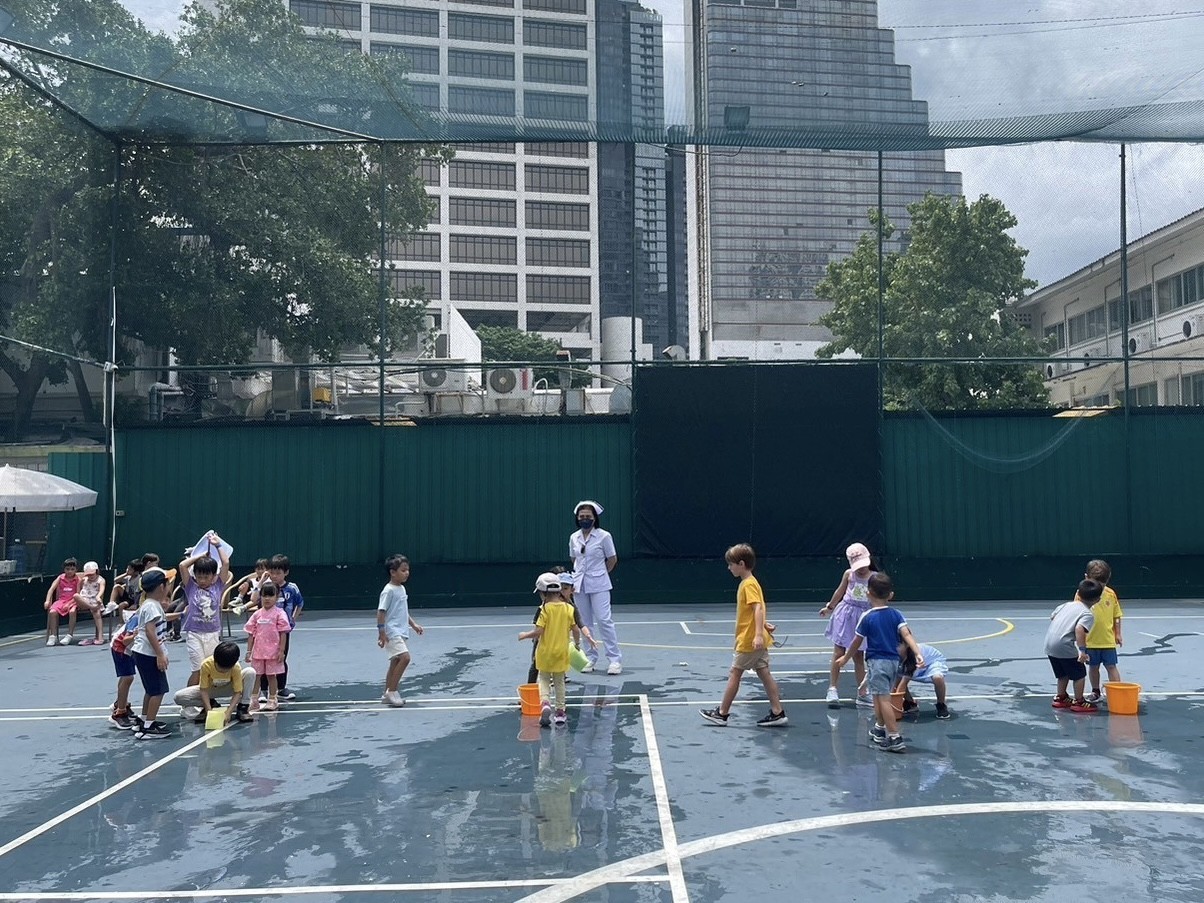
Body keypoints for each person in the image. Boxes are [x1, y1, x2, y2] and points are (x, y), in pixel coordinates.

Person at [700, 543, 787, 727]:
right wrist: (764, 626)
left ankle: (722, 713)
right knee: (764, 673)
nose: (729, 568)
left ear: (741, 564)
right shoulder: (751, 582)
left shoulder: (748, 584)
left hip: (749, 641)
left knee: (735, 673)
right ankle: (777, 712)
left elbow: (757, 608)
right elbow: (755, 610)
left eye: (731, 564)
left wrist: (758, 634)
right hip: (754, 640)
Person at [836, 572, 923, 753]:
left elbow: (856, 642)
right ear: (890, 595)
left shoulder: (867, 617)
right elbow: (907, 634)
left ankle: (894, 737)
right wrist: (917, 653)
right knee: (877, 695)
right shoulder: (896, 614)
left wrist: (845, 658)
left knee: (883, 699)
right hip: (893, 663)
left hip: (877, 663)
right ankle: (879, 728)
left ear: (868, 593)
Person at [519, 572, 583, 727]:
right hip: (561, 653)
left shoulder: (545, 609)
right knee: (559, 682)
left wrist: (524, 635)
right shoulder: (568, 608)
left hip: (544, 653)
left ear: (543, 593)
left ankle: (545, 703)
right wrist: (576, 644)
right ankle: (560, 712)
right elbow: (576, 629)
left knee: (544, 680)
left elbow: (538, 631)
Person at [819, 542, 876, 709]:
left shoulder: (874, 577)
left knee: (858, 656)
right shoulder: (849, 574)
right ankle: (832, 689)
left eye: (863, 565)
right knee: (839, 652)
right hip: (845, 615)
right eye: (858, 566)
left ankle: (862, 693)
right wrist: (830, 607)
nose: (861, 569)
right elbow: (840, 591)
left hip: (862, 618)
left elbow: (878, 598)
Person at [568, 501, 622, 675]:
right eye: (582, 516)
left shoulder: (604, 536)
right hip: (579, 584)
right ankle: (590, 658)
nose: (585, 519)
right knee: (584, 622)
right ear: (577, 518)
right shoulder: (574, 537)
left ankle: (614, 660)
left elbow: (612, 559)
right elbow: (574, 559)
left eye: (588, 516)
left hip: (599, 584)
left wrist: (601, 573)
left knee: (604, 620)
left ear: (594, 518)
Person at [526, 567, 596, 686]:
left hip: (560, 641)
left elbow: (580, 624)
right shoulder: (547, 605)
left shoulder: (571, 607)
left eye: (566, 588)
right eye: (561, 588)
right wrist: (535, 637)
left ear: (572, 590)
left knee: (560, 660)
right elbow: (538, 624)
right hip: (544, 640)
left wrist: (588, 636)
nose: (562, 592)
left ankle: (558, 680)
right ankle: (531, 688)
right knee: (535, 663)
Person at [178, 535, 232, 687]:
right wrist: (200, 555)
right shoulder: (191, 586)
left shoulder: (218, 586)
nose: (202, 580)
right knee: (197, 668)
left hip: (212, 633)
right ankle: (189, 698)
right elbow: (182, 565)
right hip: (194, 633)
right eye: (199, 576)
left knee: (209, 668)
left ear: (214, 576)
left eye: (206, 576)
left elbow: (225, 563)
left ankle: (206, 696)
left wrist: (218, 545)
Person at [129, 567, 176, 739]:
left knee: (150, 689)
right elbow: (150, 631)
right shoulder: (152, 607)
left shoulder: (151, 605)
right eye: (167, 584)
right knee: (158, 690)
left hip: (144, 653)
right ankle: (148, 727)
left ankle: (144, 720)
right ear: (161, 587)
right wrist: (160, 654)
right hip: (148, 654)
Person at [1046, 579, 1100, 714]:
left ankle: (1061, 697)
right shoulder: (1087, 614)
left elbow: (1052, 617)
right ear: (1097, 600)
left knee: (1062, 673)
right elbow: (1079, 629)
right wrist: (1082, 651)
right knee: (1079, 674)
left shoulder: (1066, 605)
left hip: (1049, 644)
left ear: (1078, 593)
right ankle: (1079, 701)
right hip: (1064, 645)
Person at [376, 555, 424, 708]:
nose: (407, 573)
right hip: (392, 631)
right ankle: (392, 691)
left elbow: (403, 611)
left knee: (395, 661)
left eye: (408, 570)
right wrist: (381, 632)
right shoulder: (388, 590)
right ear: (392, 572)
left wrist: (414, 625)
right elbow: (381, 612)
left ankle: (386, 694)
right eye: (403, 570)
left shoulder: (401, 589)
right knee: (405, 658)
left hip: (401, 631)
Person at [173, 640, 256, 724]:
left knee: (250, 672)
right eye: (220, 668)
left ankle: (243, 707)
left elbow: (237, 691)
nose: (223, 671)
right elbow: (203, 690)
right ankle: (212, 704)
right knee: (179, 697)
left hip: (230, 688)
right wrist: (208, 709)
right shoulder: (206, 664)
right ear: (215, 660)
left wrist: (229, 711)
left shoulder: (236, 667)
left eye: (226, 669)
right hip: (210, 690)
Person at [258, 554, 304, 702]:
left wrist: (293, 619)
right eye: (272, 573)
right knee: (264, 659)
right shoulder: (266, 587)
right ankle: (263, 690)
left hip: (283, 631)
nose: (275, 576)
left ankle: (281, 688)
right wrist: (261, 582)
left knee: (280, 658)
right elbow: (254, 599)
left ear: (286, 572)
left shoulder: (292, 588)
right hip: (265, 631)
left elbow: (300, 604)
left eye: (278, 573)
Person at [1079, 559, 1124, 702]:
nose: (1100, 587)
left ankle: (1117, 691)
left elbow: (1117, 615)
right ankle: (1095, 690)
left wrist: (1118, 633)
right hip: (1090, 641)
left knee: (1111, 666)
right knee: (1093, 667)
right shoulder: (1081, 594)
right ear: (1086, 577)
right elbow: (1076, 613)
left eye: (1103, 584)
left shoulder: (1111, 594)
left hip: (1107, 640)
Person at [245, 581, 292, 710]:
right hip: (258, 653)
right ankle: (254, 699)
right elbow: (251, 633)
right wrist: (249, 651)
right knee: (256, 676)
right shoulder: (256, 614)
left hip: (273, 653)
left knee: (271, 676)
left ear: (277, 597)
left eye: (271, 595)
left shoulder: (280, 614)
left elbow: (283, 633)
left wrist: (281, 651)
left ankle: (272, 699)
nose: (267, 598)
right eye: (264, 595)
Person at [894, 642, 951, 719]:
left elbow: (903, 684)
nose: (894, 648)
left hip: (932, 662)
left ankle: (941, 704)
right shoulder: (894, 654)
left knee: (937, 677)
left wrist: (894, 704)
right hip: (917, 666)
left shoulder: (913, 656)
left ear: (907, 645)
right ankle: (910, 703)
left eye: (898, 645)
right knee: (896, 679)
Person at [107, 606, 142, 730]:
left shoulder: (154, 613)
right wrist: (134, 636)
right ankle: (119, 713)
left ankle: (120, 703)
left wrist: (181, 613)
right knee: (127, 677)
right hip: (120, 648)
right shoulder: (137, 618)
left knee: (126, 677)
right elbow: (126, 641)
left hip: (129, 649)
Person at [43, 558, 82, 647]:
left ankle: (69, 635)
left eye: (72, 569)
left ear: (76, 570)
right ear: (64, 569)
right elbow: (51, 589)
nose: (69, 571)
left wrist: (69, 603)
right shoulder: (60, 578)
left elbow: (78, 594)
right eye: (67, 569)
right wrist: (47, 600)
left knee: (72, 611)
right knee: (52, 611)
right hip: (61, 601)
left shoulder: (78, 580)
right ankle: (53, 636)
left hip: (73, 601)